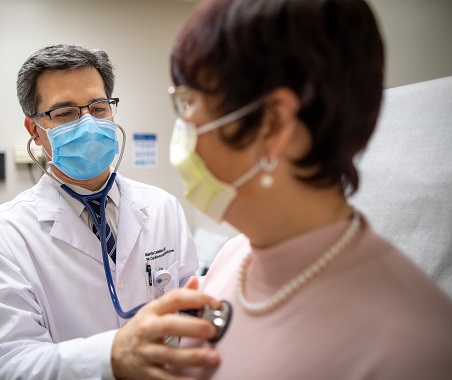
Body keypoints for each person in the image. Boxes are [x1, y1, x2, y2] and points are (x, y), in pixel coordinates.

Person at [167, 0, 452, 378]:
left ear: (273, 122)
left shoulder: (413, 347)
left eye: (189, 102)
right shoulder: (234, 254)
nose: (182, 128)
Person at [0, 44, 221, 380]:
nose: (87, 123)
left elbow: (190, 307)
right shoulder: (1, 238)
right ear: (35, 130)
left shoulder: (162, 208)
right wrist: (110, 357)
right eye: (65, 112)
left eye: (98, 108)